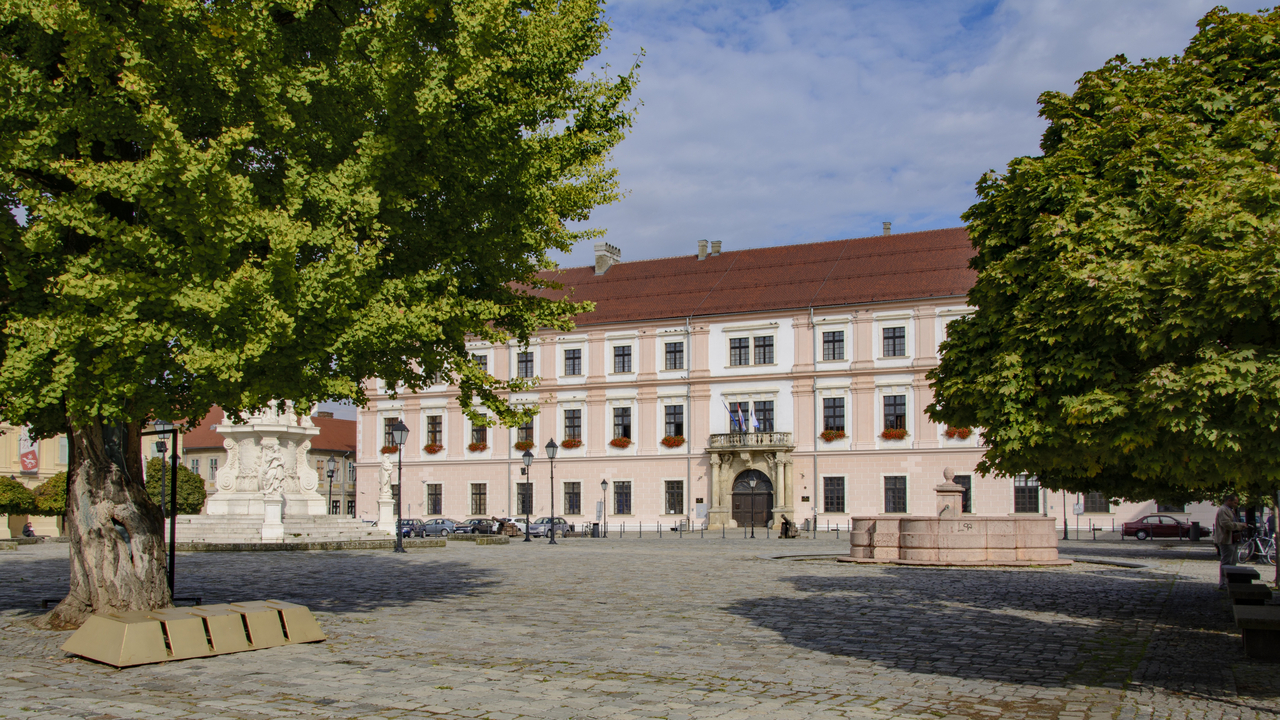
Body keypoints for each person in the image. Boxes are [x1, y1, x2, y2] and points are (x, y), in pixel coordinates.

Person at [1212, 494, 1245, 590]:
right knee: (1226, 561)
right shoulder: (1223, 510)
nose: (1236, 505)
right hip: (1226, 540)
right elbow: (1227, 524)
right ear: (1229, 500)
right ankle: (1223, 583)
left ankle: (1230, 582)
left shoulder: (1230, 510)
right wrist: (1240, 525)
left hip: (1232, 539)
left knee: (1233, 561)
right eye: (1235, 502)